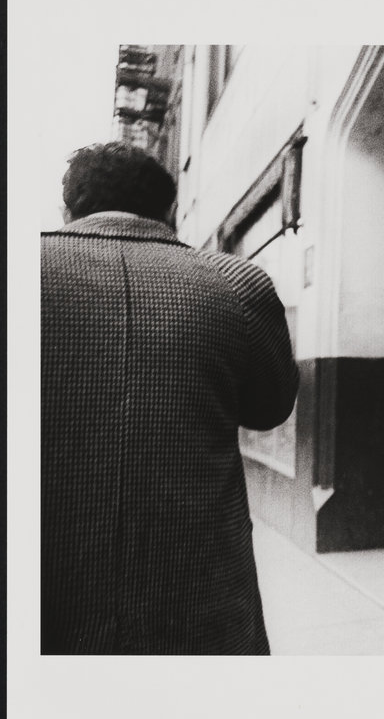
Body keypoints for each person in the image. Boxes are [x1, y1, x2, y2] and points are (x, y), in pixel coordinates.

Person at [41, 142, 299, 654]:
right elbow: (270, 408)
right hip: (197, 595)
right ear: (170, 212)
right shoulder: (235, 283)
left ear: (68, 210)